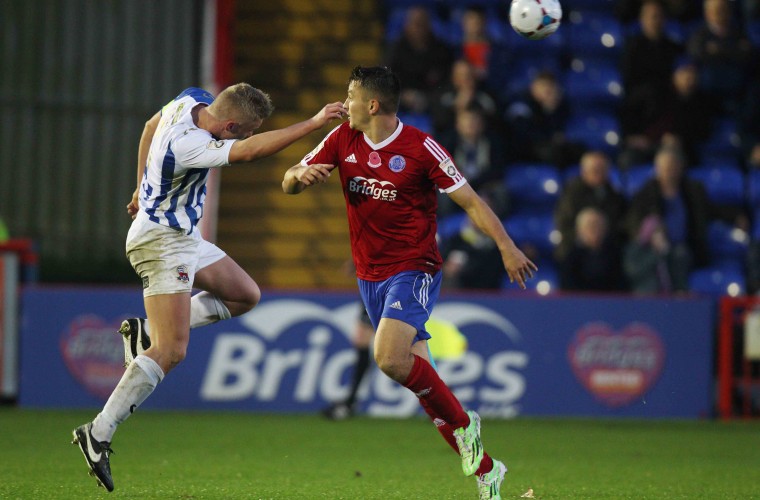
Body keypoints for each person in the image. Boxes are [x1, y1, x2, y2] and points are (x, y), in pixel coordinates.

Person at [71, 84, 346, 492]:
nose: (248, 137)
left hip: (183, 236)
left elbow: (149, 126)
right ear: (231, 124)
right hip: (161, 241)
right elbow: (252, 153)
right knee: (172, 350)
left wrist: (140, 186)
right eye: (247, 130)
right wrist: (315, 122)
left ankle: (145, 332)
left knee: (245, 294)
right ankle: (98, 432)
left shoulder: (189, 99)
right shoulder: (192, 146)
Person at [282, 66, 536, 499]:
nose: (346, 103)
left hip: (413, 269)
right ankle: (488, 472)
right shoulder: (342, 138)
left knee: (388, 357)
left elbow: (471, 201)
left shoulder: (421, 148)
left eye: (351, 95)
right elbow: (288, 180)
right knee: (421, 383)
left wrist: (506, 246)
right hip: (369, 276)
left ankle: (467, 424)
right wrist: (296, 178)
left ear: (373, 104)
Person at [554, 151, 627, 262]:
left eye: (602, 169)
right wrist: (585, 238)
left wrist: (601, 238)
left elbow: (620, 223)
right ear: (584, 171)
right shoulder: (572, 193)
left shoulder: (615, 196)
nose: (598, 173)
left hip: (606, 248)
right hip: (576, 247)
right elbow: (564, 223)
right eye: (594, 169)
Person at [558, 207, 627, 292]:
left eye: (598, 225)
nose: (594, 229)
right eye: (590, 225)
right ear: (579, 230)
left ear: (605, 229)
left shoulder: (616, 255)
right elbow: (568, 288)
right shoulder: (569, 257)